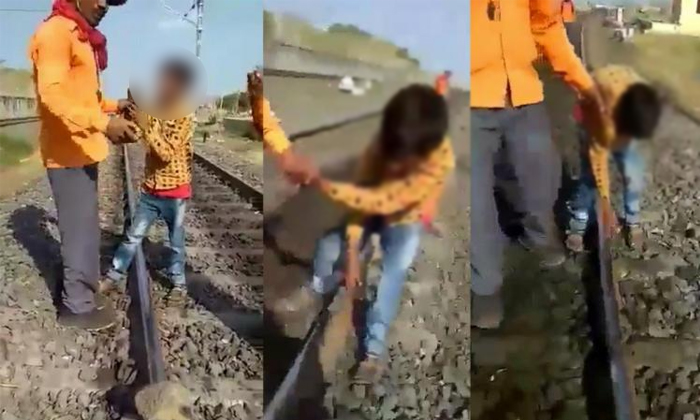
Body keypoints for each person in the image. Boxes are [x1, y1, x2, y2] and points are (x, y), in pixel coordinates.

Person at [262, 85, 454, 382]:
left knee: (391, 278)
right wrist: (352, 252)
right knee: (329, 244)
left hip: (406, 220)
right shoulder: (379, 150)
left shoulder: (437, 161)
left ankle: (372, 353)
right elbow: (361, 206)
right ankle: (315, 289)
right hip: (372, 207)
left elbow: (379, 201)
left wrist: (324, 185)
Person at [470, 0, 604, 329]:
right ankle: (485, 287)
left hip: (522, 90)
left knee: (541, 175)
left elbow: (546, 25)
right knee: (475, 200)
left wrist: (586, 88)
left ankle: (539, 237)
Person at [29, 0, 137, 331]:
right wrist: (104, 124)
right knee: (78, 233)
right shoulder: (56, 33)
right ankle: (76, 308)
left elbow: (81, 97)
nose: (104, 3)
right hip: (66, 152)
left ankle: (85, 294)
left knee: (86, 229)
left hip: (82, 148)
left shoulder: (80, 35)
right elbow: (53, 95)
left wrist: (116, 105)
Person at [101, 58, 196, 304]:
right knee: (133, 236)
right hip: (151, 190)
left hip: (175, 193)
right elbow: (139, 137)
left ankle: (178, 285)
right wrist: (128, 121)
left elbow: (165, 152)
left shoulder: (184, 115)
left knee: (175, 243)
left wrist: (146, 125)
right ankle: (113, 274)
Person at [565, 65, 661, 252]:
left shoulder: (641, 96)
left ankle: (633, 221)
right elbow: (598, 162)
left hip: (618, 113)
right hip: (590, 118)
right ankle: (578, 222)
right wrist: (605, 203)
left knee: (633, 173)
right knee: (588, 178)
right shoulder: (602, 115)